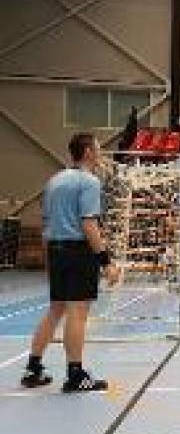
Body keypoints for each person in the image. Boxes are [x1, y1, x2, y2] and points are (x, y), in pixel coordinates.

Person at [21, 133, 118, 392]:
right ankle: (75, 374)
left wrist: (48, 262)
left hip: (55, 251)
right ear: (87, 152)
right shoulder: (89, 182)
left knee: (55, 310)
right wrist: (105, 261)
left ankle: (33, 367)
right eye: (97, 149)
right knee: (78, 312)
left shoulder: (54, 180)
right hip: (78, 253)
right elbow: (89, 224)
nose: (100, 155)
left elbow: (46, 224)